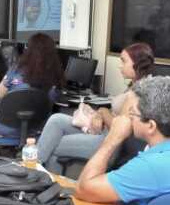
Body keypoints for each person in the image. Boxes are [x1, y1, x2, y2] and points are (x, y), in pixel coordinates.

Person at [75, 76, 170, 205]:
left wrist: (112, 138)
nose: (127, 117)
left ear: (151, 126)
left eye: (132, 112)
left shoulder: (151, 166)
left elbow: (83, 189)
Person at [36, 42, 155, 174]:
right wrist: (99, 114)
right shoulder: (133, 85)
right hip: (103, 132)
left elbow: (120, 128)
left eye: (123, 61)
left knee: (54, 143)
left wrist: (103, 112)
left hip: (110, 143)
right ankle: (35, 167)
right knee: (56, 119)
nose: (120, 66)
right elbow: (114, 113)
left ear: (136, 63)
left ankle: (38, 175)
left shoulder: (138, 92)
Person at [0, 33, 64, 153]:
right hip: (37, 128)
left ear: (28, 50)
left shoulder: (16, 70)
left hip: (5, 125)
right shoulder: (56, 76)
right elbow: (52, 101)